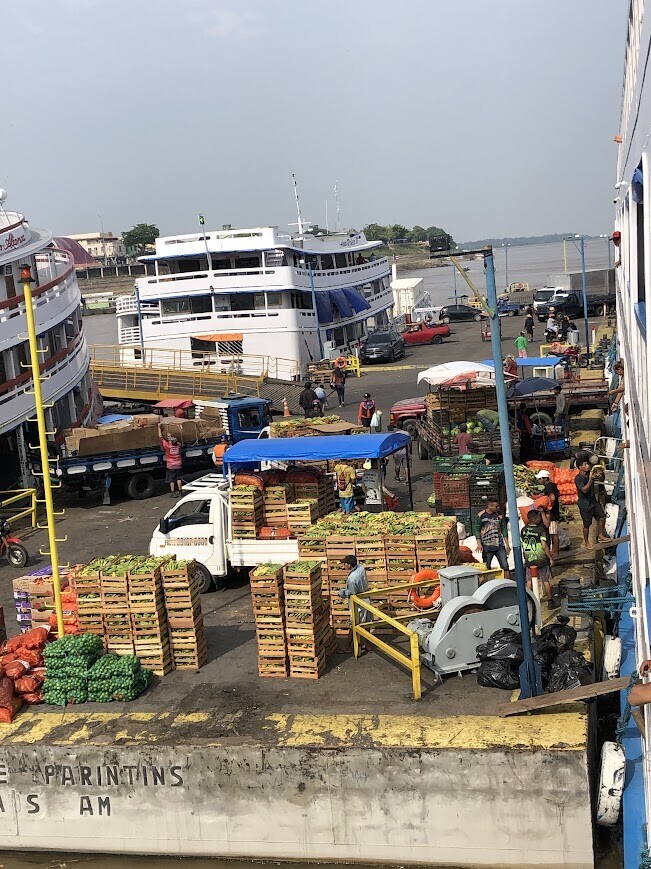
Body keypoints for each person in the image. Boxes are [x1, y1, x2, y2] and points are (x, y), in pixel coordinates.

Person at [338, 555, 371, 653]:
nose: (343, 566)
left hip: (358, 604)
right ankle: (366, 644)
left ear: (349, 565)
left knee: (354, 625)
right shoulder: (361, 568)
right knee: (366, 623)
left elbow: (352, 593)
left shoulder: (352, 578)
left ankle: (347, 648)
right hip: (366, 599)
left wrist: (343, 593)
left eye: (345, 564)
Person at [520, 509, 554, 603]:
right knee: (546, 580)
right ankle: (550, 601)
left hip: (529, 559)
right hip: (541, 559)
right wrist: (550, 558)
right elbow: (544, 545)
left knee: (529, 580)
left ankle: (528, 600)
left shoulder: (523, 530)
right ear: (536, 519)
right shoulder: (540, 530)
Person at [575, 459, 608, 547]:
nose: (587, 466)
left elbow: (600, 478)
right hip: (585, 504)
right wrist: (591, 479)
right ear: (580, 467)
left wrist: (601, 473)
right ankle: (586, 542)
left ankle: (600, 535)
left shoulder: (590, 473)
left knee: (602, 517)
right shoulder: (578, 478)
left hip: (593, 501)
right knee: (587, 524)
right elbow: (584, 490)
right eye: (585, 464)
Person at [474, 500, 510, 578]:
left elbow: (504, 529)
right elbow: (476, 529)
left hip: (499, 545)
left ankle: (508, 582)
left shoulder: (500, 515)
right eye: (496, 506)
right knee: (486, 566)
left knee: (505, 566)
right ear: (490, 506)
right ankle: (486, 584)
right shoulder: (481, 515)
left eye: (498, 506)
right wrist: (479, 543)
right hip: (487, 545)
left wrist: (507, 544)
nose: (498, 508)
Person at [536, 469, 561, 555]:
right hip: (554, 512)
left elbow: (553, 497)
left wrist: (549, 507)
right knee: (552, 532)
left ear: (545, 478)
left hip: (553, 514)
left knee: (553, 533)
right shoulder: (552, 485)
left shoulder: (549, 487)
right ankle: (554, 550)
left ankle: (556, 552)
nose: (539, 481)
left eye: (540, 479)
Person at [158, 423, 183, 497]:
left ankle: (173, 493)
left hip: (171, 465)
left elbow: (160, 437)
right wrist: (170, 437)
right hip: (178, 464)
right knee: (179, 478)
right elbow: (176, 442)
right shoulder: (178, 446)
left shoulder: (168, 447)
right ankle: (180, 491)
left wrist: (159, 427)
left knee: (171, 479)